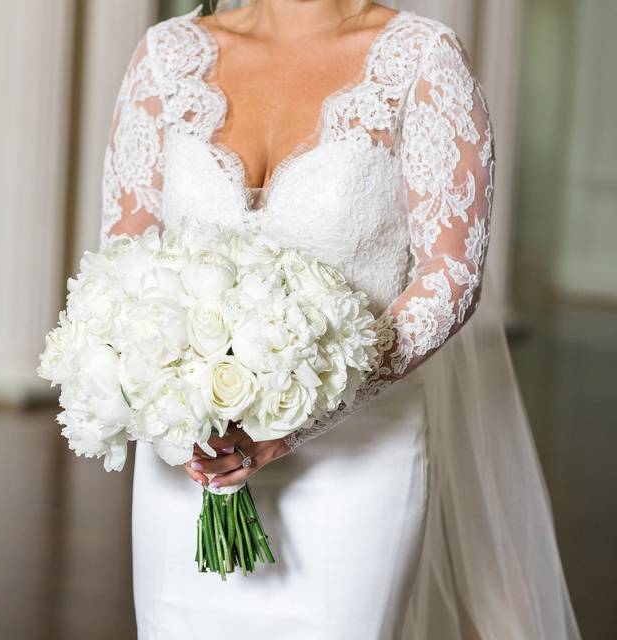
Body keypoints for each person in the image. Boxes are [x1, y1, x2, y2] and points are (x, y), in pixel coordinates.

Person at [99, 1, 581, 638]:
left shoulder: (422, 60)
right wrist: (171, 393)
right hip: (191, 461)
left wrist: (296, 421)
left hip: (356, 463)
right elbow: (123, 261)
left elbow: (450, 277)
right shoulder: (166, 56)